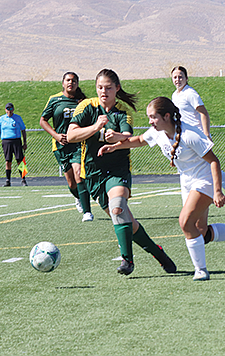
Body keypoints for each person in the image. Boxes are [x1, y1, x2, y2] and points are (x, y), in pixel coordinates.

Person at [98, 97, 225, 281]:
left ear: (166, 116)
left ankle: (201, 270)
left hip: (204, 179)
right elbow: (139, 140)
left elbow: (214, 161)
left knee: (185, 222)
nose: (150, 121)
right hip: (186, 181)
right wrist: (114, 147)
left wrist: (218, 190)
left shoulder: (190, 134)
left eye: (153, 117)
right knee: (201, 232)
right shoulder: (158, 132)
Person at [67, 69, 176, 276]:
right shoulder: (86, 107)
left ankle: (127, 261)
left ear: (117, 88)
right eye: (100, 87)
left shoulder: (122, 112)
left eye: (108, 87)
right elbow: (72, 135)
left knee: (117, 208)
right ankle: (158, 252)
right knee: (126, 221)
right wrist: (95, 127)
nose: (103, 91)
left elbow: (127, 136)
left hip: (117, 171)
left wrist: (115, 136)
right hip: (93, 174)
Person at [171, 66, 225, 215]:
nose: (177, 80)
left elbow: (203, 113)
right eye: (175, 77)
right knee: (208, 169)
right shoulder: (175, 95)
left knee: (211, 167)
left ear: (186, 78)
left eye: (180, 77)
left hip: (196, 137)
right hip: (186, 138)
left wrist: (206, 134)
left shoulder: (190, 93)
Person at [40, 72, 93, 222]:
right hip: (60, 146)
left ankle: (87, 212)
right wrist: (56, 135)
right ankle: (79, 198)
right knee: (71, 182)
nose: (71, 83)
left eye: (74, 81)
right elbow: (43, 120)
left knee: (78, 173)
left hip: (77, 144)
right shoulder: (54, 100)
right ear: (63, 83)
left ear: (77, 83)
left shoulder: (83, 102)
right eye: (68, 80)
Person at [0, 102, 28, 187]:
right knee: (8, 161)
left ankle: (23, 179)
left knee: (20, 161)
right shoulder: (1, 119)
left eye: (10, 109)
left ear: (13, 109)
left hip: (16, 141)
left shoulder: (17, 118)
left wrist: (25, 143)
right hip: (6, 141)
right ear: (5, 110)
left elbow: (23, 130)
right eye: (7, 109)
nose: (9, 110)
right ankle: (8, 180)